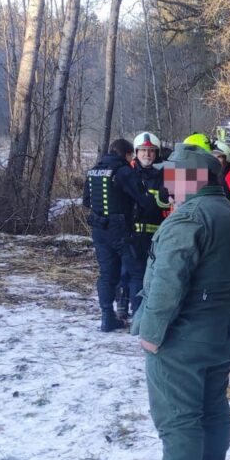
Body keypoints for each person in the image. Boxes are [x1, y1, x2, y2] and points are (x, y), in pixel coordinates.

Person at [125, 143, 230, 460]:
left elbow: (167, 283)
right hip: (223, 330)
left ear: (193, 179)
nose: (168, 185)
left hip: (183, 335)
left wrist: (152, 332)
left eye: (173, 177)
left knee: (179, 418)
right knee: (213, 410)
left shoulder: (188, 220)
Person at [83, 138, 143, 331]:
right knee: (136, 272)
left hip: (99, 229)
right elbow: (142, 198)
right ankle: (140, 322)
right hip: (121, 228)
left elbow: (87, 200)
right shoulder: (124, 171)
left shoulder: (94, 171)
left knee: (107, 274)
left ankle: (107, 317)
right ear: (126, 154)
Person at [124, 132, 172, 318]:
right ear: (136, 152)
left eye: (151, 151)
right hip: (131, 234)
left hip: (156, 235)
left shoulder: (167, 174)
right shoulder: (126, 173)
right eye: (143, 150)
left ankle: (145, 314)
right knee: (129, 274)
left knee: (151, 276)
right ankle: (131, 309)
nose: (147, 154)